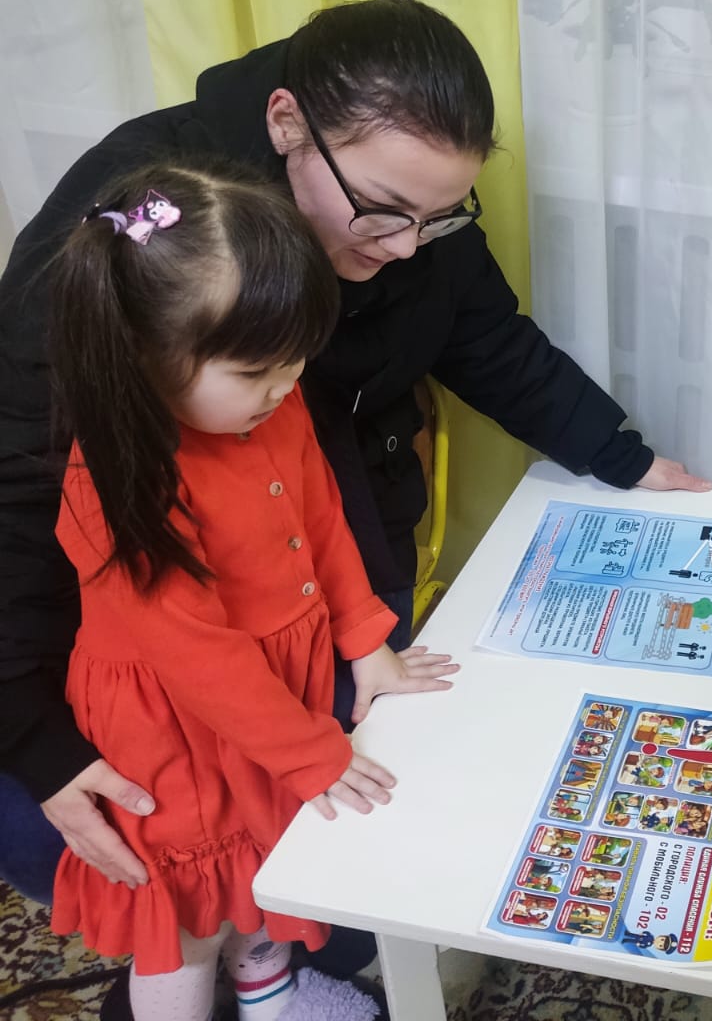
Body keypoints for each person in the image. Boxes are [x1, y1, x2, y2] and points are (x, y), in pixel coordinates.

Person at [0, 0, 708, 981]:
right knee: (222, 891)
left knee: (376, 867)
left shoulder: (402, 218)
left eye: (436, 217)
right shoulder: (141, 241)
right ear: (286, 122)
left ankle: (277, 972)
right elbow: (25, 492)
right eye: (381, 211)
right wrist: (35, 739)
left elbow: (483, 339)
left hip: (321, 599)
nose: (406, 245)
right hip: (146, 669)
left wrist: (626, 458)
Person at [46, 162, 457, 1020]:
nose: (285, 385)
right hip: (177, 730)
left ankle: (270, 996)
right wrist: (311, 754)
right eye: (256, 370)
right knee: (192, 914)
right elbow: (196, 658)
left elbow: (322, 517)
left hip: (270, 699)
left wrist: (364, 640)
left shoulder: (272, 401)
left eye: (296, 358)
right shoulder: (119, 481)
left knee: (261, 869)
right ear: (144, 359)